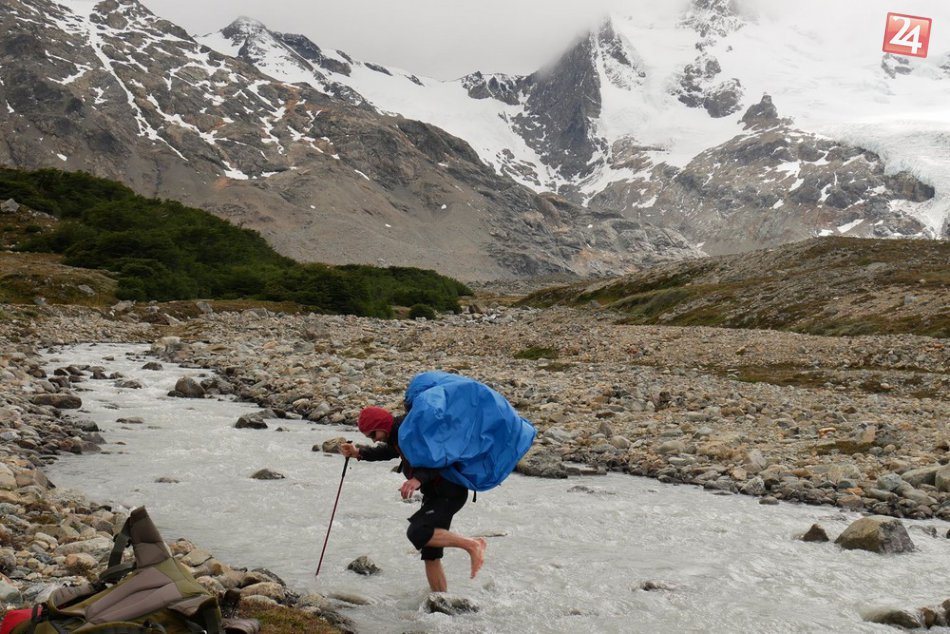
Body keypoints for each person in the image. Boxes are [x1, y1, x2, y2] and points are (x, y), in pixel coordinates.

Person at [340, 406, 487, 592]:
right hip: (436, 493)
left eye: (373, 434)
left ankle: (474, 545)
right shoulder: (397, 435)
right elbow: (388, 452)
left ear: (381, 425)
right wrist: (359, 453)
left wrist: (418, 479)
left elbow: (442, 457)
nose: (374, 439)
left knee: (417, 532)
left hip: (449, 492)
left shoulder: (410, 432)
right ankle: (440, 601)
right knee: (430, 552)